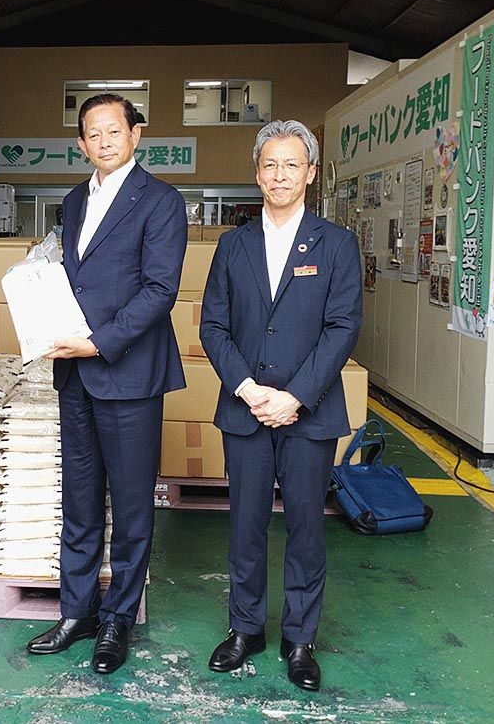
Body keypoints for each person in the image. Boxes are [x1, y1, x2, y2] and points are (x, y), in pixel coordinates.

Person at [25, 94, 188, 674]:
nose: (104, 141)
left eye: (114, 131)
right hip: (75, 376)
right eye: (92, 134)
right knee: (80, 499)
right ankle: (77, 612)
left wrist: (96, 342)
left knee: (133, 505)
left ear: (135, 135)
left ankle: (118, 618)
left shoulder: (161, 201)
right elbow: (70, 278)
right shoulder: (73, 201)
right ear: (81, 144)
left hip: (128, 372)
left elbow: (160, 290)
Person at [199, 120, 362, 691]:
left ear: (310, 173)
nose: (280, 175)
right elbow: (213, 326)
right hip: (245, 409)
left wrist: (294, 396)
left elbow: (343, 327)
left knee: (305, 530)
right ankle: (245, 628)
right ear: (257, 173)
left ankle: (299, 638)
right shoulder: (233, 244)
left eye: (292, 164)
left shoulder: (336, 244)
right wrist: (248, 389)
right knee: (244, 525)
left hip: (308, 412)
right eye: (270, 164)